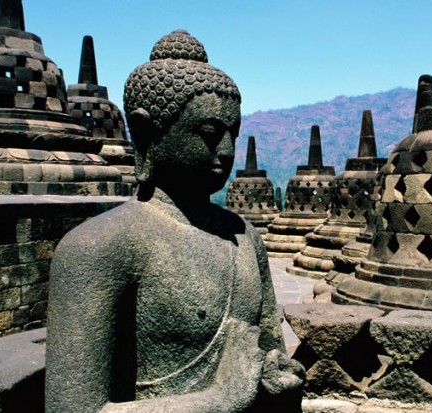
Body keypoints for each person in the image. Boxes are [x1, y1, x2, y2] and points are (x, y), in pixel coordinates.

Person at [45, 30, 303, 413]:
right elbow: (72, 409)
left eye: (233, 134)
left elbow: (268, 354)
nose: (227, 151)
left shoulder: (245, 237)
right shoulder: (99, 247)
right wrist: (218, 399)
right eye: (210, 134)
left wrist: (277, 376)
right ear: (148, 134)